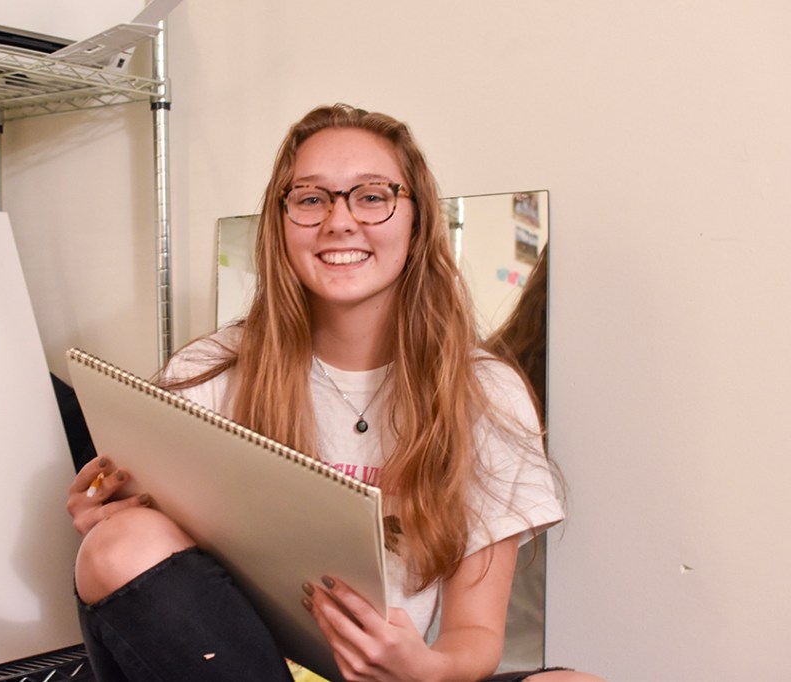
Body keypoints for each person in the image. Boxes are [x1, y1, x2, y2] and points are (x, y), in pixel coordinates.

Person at [66, 104, 602, 682]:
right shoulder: (208, 372)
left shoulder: (482, 391)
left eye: (372, 196)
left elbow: (473, 638)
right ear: (281, 222)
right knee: (120, 542)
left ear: (418, 222)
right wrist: (109, 510)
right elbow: (150, 573)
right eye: (311, 198)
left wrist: (421, 668)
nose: (339, 221)